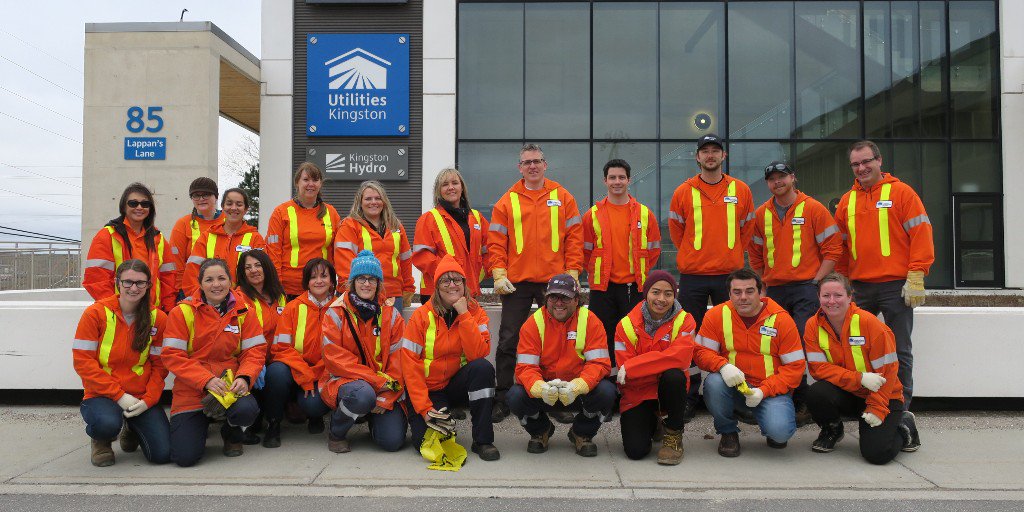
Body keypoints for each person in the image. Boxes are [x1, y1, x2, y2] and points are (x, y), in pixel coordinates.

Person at [835, 141, 933, 424]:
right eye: (855, 164)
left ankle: (900, 408)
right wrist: (841, 282)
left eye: (866, 161)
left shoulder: (902, 193)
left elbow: (921, 233)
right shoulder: (847, 200)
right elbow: (840, 247)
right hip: (859, 288)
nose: (862, 168)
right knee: (854, 347)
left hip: (895, 286)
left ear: (879, 160)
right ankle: (862, 402)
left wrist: (917, 274)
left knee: (899, 349)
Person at [488, 144, 584, 423]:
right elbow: (496, 242)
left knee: (560, 341)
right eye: (527, 162)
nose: (532, 166)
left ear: (545, 165)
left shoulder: (562, 196)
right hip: (517, 283)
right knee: (509, 339)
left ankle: (560, 397)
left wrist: (573, 272)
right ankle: (503, 396)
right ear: (520, 167)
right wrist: (498, 273)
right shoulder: (507, 201)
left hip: (554, 284)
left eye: (537, 161)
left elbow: (574, 237)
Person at [667, 134, 755, 420]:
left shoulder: (740, 190)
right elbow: (677, 232)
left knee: (733, 336)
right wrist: (695, 254)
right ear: (697, 157)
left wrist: (729, 254)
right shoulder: (683, 191)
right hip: (693, 275)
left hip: (729, 277)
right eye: (704, 151)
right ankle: (690, 395)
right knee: (687, 337)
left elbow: (747, 229)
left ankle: (734, 391)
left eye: (715, 150)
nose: (710, 155)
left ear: (723, 156)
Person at [748, 161, 842, 423]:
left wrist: (817, 281)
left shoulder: (813, 208)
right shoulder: (761, 214)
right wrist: (762, 283)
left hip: (804, 289)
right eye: (772, 179)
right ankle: (782, 397)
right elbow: (755, 252)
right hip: (775, 290)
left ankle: (803, 401)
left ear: (793, 178)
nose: (777, 182)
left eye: (782, 177)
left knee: (800, 342)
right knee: (775, 343)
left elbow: (833, 248)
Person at [803, 272, 919, 464]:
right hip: (850, 391)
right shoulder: (812, 325)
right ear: (819, 297)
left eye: (838, 295)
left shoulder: (869, 323)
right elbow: (818, 369)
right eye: (826, 296)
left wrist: (877, 408)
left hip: (884, 393)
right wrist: (858, 378)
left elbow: (888, 372)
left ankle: (904, 427)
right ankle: (832, 430)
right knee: (816, 393)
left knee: (877, 454)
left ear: (850, 297)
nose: (832, 301)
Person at [161, 258, 267, 467]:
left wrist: (245, 377)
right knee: (185, 458)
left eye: (221, 278)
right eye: (209, 279)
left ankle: (231, 433)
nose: (216, 284)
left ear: (230, 281)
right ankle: (201, 424)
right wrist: (206, 380)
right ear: (200, 284)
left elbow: (254, 351)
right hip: (192, 390)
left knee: (247, 409)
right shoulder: (182, 312)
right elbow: (172, 355)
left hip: (229, 387)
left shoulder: (244, 310)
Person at [692, 269, 804, 457]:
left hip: (770, 391)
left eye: (750, 291)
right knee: (713, 382)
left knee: (780, 433)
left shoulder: (782, 320)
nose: (743, 297)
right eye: (737, 292)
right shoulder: (717, 315)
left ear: (761, 292)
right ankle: (728, 432)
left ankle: (770, 425)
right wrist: (723, 366)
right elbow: (700, 352)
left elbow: (795, 368)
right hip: (733, 387)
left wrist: (764, 390)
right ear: (729, 294)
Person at [72, 259, 170, 467]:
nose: (133, 288)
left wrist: (149, 399)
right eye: (128, 282)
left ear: (148, 285)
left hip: (140, 395)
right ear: (118, 283)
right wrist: (118, 395)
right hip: (102, 393)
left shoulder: (158, 318)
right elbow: (83, 362)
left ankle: (132, 427)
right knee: (106, 423)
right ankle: (101, 440)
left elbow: (160, 366)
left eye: (140, 283)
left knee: (163, 454)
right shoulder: (95, 314)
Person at [401, 255, 499, 461]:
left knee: (482, 368)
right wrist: (425, 409)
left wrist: (464, 315)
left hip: (456, 385)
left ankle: (483, 440)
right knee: (425, 443)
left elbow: (477, 354)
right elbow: (410, 367)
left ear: (464, 285)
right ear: (437, 287)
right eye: (446, 280)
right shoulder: (421, 316)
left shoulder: (475, 313)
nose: (452, 285)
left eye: (457, 280)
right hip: (428, 390)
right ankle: (439, 415)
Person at [507, 273, 615, 457]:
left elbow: (599, 364)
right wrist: (539, 388)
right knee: (514, 396)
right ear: (546, 298)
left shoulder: (590, 321)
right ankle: (541, 431)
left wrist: (579, 386)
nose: (558, 302)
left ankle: (581, 433)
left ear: (576, 300)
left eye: (565, 297)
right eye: (553, 297)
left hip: (578, 390)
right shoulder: (533, 323)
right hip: (545, 390)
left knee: (607, 392)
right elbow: (525, 368)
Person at [320, 250, 407, 453]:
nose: (366, 284)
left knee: (392, 443)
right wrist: (377, 382)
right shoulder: (335, 312)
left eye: (372, 279)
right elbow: (336, 360)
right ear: (352, 282)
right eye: (361, 278)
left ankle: (371, 419)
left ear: (378, 284)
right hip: (347, 384)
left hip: (385, 388)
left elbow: (400, 361)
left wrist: (386, 398)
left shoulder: (391, 315)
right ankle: (337, 432)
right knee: (362, 395)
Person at [583, 159, 661, 369]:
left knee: (633, 339)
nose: (617, 182)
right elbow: (585, 252)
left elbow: (653, 250)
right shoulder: (592, 215)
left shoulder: (645, 214)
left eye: (621, 177)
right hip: (603, 289)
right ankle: (604, 382)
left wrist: (640, 271)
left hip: (635, 289)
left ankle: (629, 385)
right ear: (605, 181)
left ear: (629, 180)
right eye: (612, 178)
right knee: (601, 339)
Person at [614, 270, 695, 465]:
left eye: (668, 294)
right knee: (635, 451)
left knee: (675, 376)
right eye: (656, 292)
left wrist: (635, 365)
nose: (661, 299)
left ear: (674, 296)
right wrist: (660, 364)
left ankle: (673, 435)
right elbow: (627, 375)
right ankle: (654, 422)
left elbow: (681, 359)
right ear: (646, 294)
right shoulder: (625, 325)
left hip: (669, 391)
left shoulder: (685, 321)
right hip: (638, 393)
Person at [262, 258, 337, 448]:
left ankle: (314, 416)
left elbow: (340, 352)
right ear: (306, 282)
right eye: (313, 277)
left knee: (313, 406)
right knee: (275, 373)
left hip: (323, 372)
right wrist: (304, 372)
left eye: (323, 276)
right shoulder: (293, 307)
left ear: (332, 281)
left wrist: (316, 374)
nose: (318, 281)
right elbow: (281, 348)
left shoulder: (340, 308)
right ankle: (273, 423)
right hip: (295, 369)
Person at [83, 183, 176, 311]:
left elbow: (169, 279)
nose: (139, 207)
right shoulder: (107, 236)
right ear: (123, 206)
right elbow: (96, 279)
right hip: (118, 312)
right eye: (133, 203)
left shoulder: (158, 239)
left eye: (145, 204)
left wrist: (166, 310)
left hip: (152, 313)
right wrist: (116, 308)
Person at [233, 249, 288, 445]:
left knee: (279, 373)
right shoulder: (238, 298)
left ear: (267, 267)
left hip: (277, 358)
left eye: (257, 265)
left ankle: (274, 424)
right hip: (249, 360)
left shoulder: (280, 296)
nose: (253, 270)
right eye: (247, 267)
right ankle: (248, 423)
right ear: (242, 272)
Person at [412, 167, 490, 302]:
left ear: (462, 187)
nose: (451, 187)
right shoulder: (429, 219)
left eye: (455, 183)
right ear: (438, 190)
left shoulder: (477, 218)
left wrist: (478, 274)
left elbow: (490, 251)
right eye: (445, 184)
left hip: (469, 292)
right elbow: (422, 257)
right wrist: (451, 276)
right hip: (437, 293)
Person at [335, 181, 415, 312]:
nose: (374, 202)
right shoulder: (349, 226)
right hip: (360, 294)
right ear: (359, 202)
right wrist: (354, 293)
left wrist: (408, 289)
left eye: (378, 198)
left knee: (392, 333)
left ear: (384, 201)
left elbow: (405, 261)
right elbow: (344, 266)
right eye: (368, 199)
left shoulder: (396, 227)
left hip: (393, 295)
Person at [266, 162, 342, 298]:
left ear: (320, 184)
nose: (311, 184)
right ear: (297, 183)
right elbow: (273, 251)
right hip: (289, 288)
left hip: (322, 287)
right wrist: (275, 284)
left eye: (315, 180)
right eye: (306, 180)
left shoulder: (331, 213)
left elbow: (339, 252)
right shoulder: (281, 212)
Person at [183, 188, 266, 295]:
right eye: (229, 203)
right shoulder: (206, 237)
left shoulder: (255, 238)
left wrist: (237, 298)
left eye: (239, 204)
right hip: (209, 302)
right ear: (222, 207)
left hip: (244, 302)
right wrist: (203, 300)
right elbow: (192, 274)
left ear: (246, 209)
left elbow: (260, 276)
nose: (234, 208)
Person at [169, 177, 223, 297]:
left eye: (206, 195)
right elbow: (176, 263)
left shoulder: (227, 221)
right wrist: (183, 291)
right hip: (192, 291)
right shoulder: (183, 224)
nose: (201, 199)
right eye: (196, 196)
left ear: (216, 196)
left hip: (224, 289)